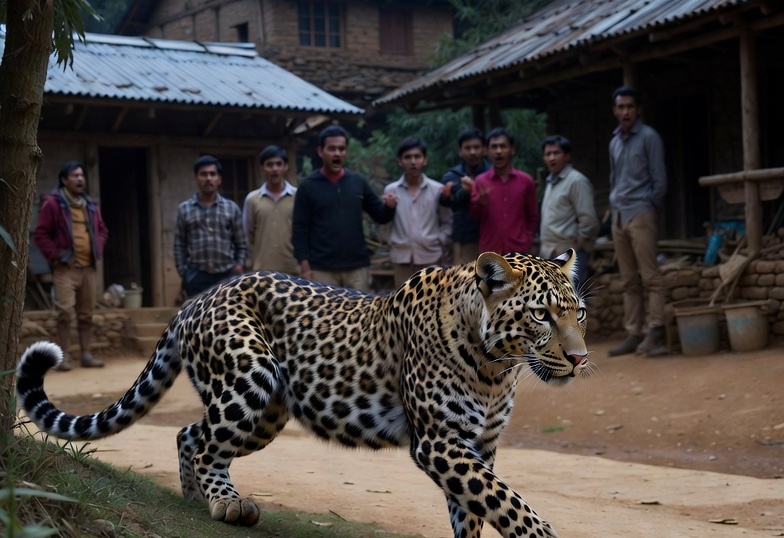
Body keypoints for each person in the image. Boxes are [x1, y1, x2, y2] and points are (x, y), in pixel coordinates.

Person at [292, 125, 397, 290]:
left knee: (360, 307)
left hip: (357, 268)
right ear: (320, 151)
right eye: (332, 149)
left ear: (346, 152)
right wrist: (305, 267)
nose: (337, 153)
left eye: (341, 149)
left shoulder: (358, 182)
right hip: (322, 269)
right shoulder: (308, 186)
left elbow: (380, 215)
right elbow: (300, 229)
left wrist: (390, 207)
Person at [606, 86, 668, 357]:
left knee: (650, 276)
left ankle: (655, 331)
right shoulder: (614, 142)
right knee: (629, 279)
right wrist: (613, 206)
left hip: (641, 213)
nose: (625, 112)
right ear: (614, 111)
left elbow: (659, 180)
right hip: (619, 215)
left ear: (638, 109)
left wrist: (649, 207)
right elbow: (615, 178)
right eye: (621, 107)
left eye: (630, 106)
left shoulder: (649, 137)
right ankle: (633, 332)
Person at [34, 161, 109, 371]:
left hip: (88, 269)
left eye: (81, 175)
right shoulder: (53, 204)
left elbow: (102, 230)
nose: (80, 179)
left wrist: (97, 248)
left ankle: (86, 354)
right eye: (75, 176)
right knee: (64, 312)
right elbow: (41, 234)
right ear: (64, 180)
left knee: (86, 314)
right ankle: (64, 356)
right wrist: (56, 256)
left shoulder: (90, 205)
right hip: (65, 269)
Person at [174, 155, 247, 298]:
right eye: (203, 174)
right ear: (195, 178)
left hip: (227, 276)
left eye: (212, 174)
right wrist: (185, 273)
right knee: (197, 313)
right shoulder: (185, 209)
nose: (208, 178)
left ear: (219, 179)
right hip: (197, 276)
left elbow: (241, 244)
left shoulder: (231, 208)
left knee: (225, 312)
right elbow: (179, 245)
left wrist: (239, 266)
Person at [384, 137, 452, 287]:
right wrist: (392, 242)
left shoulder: (437, 189)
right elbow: (386, 221)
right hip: (402, 257)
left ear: (424, 160)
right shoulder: (391, 190)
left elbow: (447, 220)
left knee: (431, 299)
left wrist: (440, 240)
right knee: (403, 299)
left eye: (417, 156)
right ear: (400, 161)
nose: (413, 161)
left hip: (431, 256)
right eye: (407, 157)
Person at [539, 134, 600, 289]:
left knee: (570, 298)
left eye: (556, 153)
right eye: (548, 154)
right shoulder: (551, 181)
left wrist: (576, 246)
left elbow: (589, 221)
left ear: (567, 156)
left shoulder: (576, 181)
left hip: (569, 254)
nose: (551, 158)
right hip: (550, 254)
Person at [469, 127, 539, 255]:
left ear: (512, 149)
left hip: (519, 251)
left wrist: (527, 240)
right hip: (490, 250)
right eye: (494, 147)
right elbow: (474, 216)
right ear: (487, 151)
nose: (498, 151)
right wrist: (479, 203)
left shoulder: (526, 181)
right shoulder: (480, 182)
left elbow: (532, 216)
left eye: (503, 146)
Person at [242, 145, 298, 275]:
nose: (275, 169)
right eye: (269, 165)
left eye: (279, 164)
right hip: (262, 270)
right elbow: (247, 235)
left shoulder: (298, 196)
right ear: (262, 168)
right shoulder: (252, 199)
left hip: (293, 269)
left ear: (286, 167)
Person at [439, 127, 490, 265]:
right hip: (463, 239)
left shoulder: (493, 175)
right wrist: (446, 196)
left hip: (491, 238)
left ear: (484, 149)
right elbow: (448, 205)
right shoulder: (452, 176)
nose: (472, 152)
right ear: (460, 151)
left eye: (476, 147)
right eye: (467, 148)